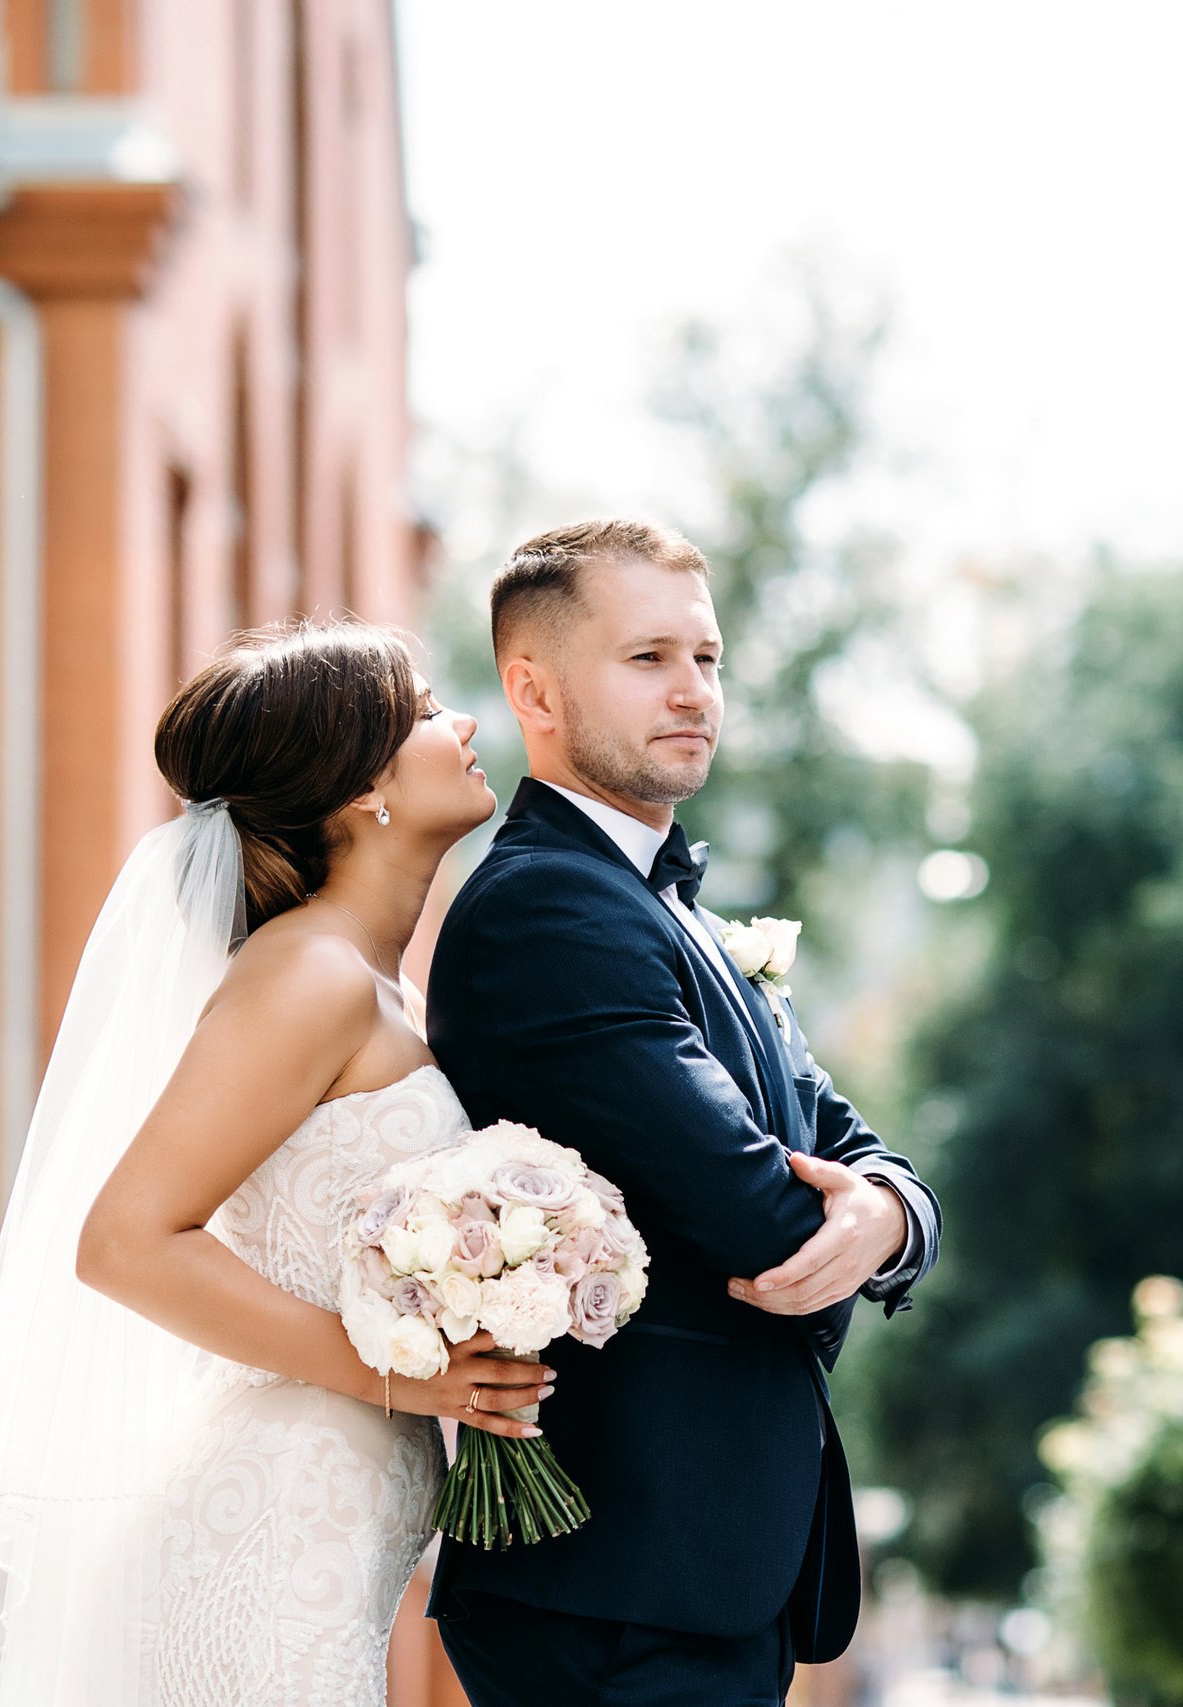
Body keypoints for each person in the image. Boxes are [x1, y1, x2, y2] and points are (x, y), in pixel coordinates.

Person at [0, 622, 541, 1707]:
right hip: (270, 1519)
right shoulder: (309, 976)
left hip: (329, 1513)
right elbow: (125, 1242)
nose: (460, 724)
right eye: (420, 711)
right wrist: (400, 1372)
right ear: (361, 786)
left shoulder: (373, 987)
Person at [423, 519, 942, 1707]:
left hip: (696, 1564)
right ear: (532, 690)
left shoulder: (677, 915)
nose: (695, 692)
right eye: (648, 659)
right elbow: (754, 1207)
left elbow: (849, 1142)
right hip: (618, 1573)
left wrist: (888, 1215)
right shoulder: (547, 911)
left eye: (706, 659)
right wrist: (836, 1213)